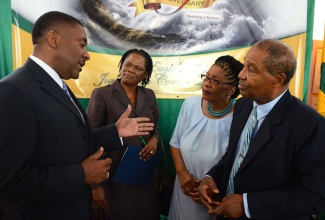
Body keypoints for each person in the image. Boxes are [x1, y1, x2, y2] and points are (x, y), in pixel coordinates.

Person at [0, 11, 154, 220]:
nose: (87, 54)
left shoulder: (58, 86)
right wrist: (81, 175)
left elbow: (73, 140)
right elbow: (9, 180)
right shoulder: (13, 90)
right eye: (82, 44)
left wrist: (116, 132)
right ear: (53, 39)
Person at [198, 39, 325, 220]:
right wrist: (212, 177)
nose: (241, 75)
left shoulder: (310, 125)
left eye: (251, 69)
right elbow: (235, 155)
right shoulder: (243, 106)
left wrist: (247, 204)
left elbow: (314, 195)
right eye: (244, 66)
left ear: (277, 79)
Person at [87, 49, 160, 220]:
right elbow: (91, 139)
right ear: (121, 66)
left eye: (137, 68)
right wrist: (96, 186)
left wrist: (155, 140)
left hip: (143, 174)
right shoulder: (102, 94)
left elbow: (154, 127)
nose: (130, 70)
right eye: (127, 65)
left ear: (145, 74)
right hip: (114, 176)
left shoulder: (149, 95)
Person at [168, 55, 243, 220]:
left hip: (214, 195)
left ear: (231, 90)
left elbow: (236, 161)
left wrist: (213, 191)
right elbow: (175, 143)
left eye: (215, 81)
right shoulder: (190, 104)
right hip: (184, 188)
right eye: (206, 77)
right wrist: (182, 174)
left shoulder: (240, 116)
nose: (207, 84)